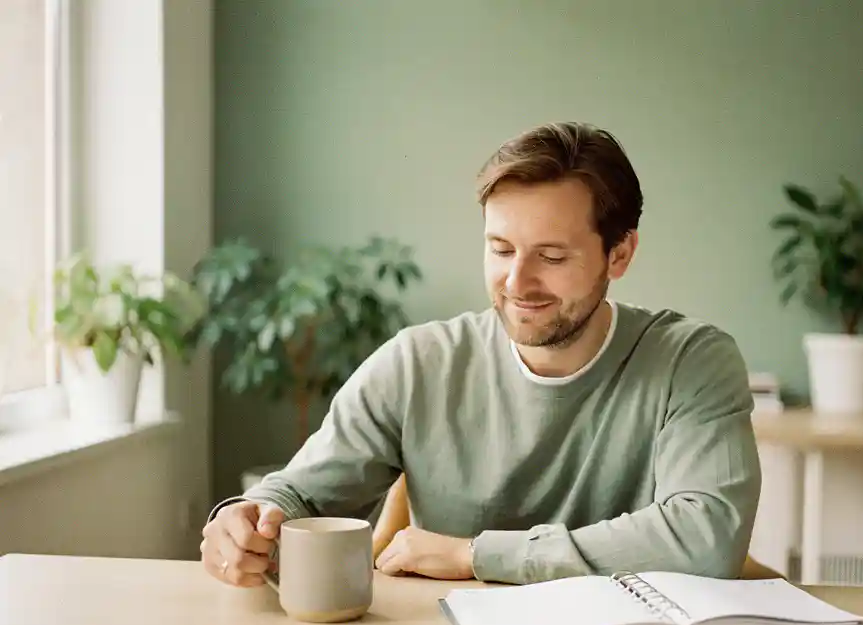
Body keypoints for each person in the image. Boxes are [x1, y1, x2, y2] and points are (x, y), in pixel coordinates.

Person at [200, 121, 762, 588]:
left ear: (620, 253)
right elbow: (300, 494)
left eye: (551, 256)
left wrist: (476, 556)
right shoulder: (418, 364)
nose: (518, 281)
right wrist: (247, 520)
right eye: (500, 249)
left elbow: (707, 538)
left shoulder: (692, 362)